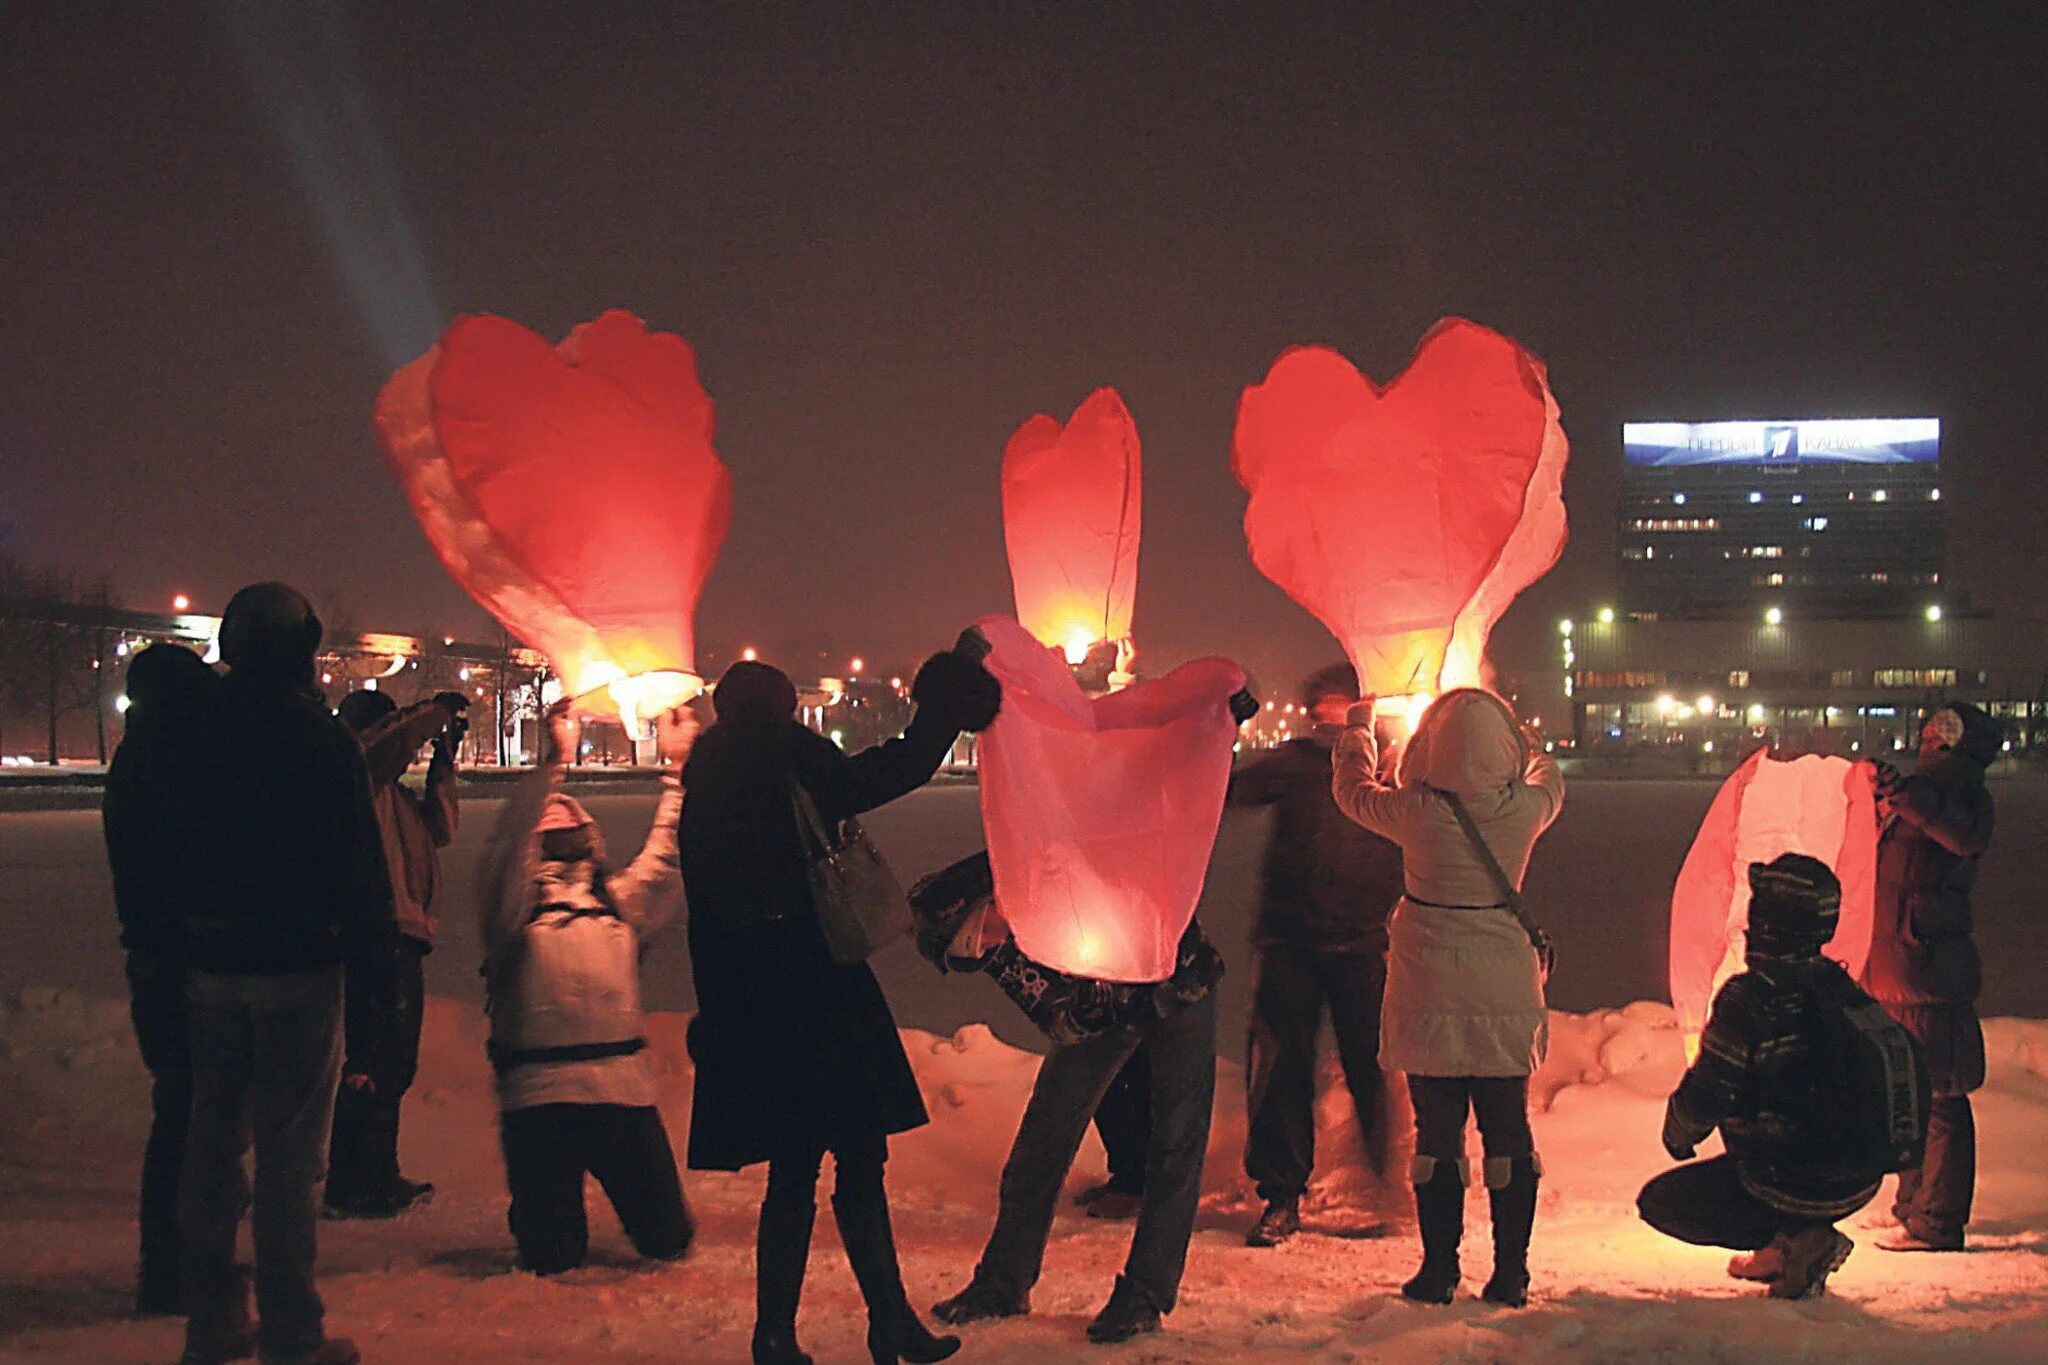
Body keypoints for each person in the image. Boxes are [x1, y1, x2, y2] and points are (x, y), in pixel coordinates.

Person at [680, 648, 1000, 1365]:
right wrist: (946, 706)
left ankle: (776, 1336)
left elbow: (701, 917)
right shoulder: (789, 758)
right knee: (860, 1155)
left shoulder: (704, 784)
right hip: (818, 986)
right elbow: (895, 769)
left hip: (753, 1001)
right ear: (783, 708)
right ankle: (889, 1324)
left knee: (792, 1170)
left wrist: (718, 1013)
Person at [932, 686, 1257, 1347]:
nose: (993, 943)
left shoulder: (1048, 857)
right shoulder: (1016, 952)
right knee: (1041, 1142)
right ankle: (1002, 1280)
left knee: (1176, 1143)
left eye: (984, 930)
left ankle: (1144, 1292)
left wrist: (1214, 721)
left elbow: (1152, 783)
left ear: (986, 899)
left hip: (1180, 985)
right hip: (1104, 1005)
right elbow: (1067, 1013)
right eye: (979, 949)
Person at [178, 583, 394, 1365]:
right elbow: (360, 870)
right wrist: (375, 993)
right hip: (300, 965)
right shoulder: (317, 737)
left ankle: (211, 1321)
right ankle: (292, 1329)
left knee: (211, 1149)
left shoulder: (192, 728)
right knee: (290, 1161)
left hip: (209, 963)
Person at [1330, 688, 1562, 1308]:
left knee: (1438, 1133)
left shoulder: (1414, 812)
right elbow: (1550, 776)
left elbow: (1351, 791)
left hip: (1428, 985)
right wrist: (1526, 741)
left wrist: (1360, 732)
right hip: (1503, 986)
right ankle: (1511, 1272)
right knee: (1508, 1130)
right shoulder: (1526, 810)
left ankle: (1439, 1270)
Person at [477, 699, 697, 1275]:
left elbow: (668, 855)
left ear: (587, 835)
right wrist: (556, 761)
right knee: (553, 1257)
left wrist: (679, 771)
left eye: (565, 815)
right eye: (543, 820)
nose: (554, 818)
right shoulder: (511, 911)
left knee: (668, 1240)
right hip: (538, 1103)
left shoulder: (617, 903)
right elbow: (505, 845)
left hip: (622, 1097)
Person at [1637, 854, 1884, 1300]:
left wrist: (1678, 1134)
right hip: (1859, 1179)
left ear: (1765, 920)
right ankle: (1787, 1248)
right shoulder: (1841, 988)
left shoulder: (1752, 998)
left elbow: (1709, 1091)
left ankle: (1796, 1238)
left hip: (1791, 1178)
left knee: (1662, 1203)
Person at [1230, 662, 1404, 1247]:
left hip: (1366, 944)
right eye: (1322, 704)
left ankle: (1393, 1185)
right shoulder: (1296, 763)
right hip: (1290, 941)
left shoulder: (1394, 766)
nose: (1328, 714)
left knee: (1375, 1067)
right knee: (1281, 1071)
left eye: (1340, 703)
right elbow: (1228, 792)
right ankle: (1281, 1194)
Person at [103, 642, 223, 1315]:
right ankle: (182, 1268)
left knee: (180, 1111)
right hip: (186, 958)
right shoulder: (176, 762)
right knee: (195, 1117)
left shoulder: (138, 758)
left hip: (155, 959)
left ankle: (171, 1265)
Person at [1860, 703, 2000, 1252]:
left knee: (1940, 1092)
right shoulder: (1920, 794)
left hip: (1927, 965)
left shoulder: (1963, 795)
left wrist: (1907, 799)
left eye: (1939, 730)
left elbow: (1963, 836)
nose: (1926, 735)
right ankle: (1911, 1205)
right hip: (1898, 964)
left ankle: (1937, 1222)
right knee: (1909, 1090)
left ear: (1955, 742)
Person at [325, 688, 467, 1218]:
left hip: (400, 934)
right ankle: (357, 1181)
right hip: (377, 932)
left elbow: (443, 829)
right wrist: (433, 713)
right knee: (376, 1059)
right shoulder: (359, 773)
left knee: (391, 1062)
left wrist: (444, 760)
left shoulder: (392, 793)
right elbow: (390, 743)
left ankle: (370, 1174)